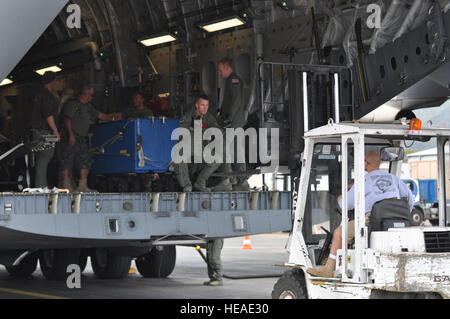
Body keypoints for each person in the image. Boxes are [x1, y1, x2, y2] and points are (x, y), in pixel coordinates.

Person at [306, 151, 414, 278]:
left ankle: (329, 269)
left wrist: (342, 196)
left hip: (372, 219)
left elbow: (345, 204)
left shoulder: (365, 180)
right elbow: (410, 199)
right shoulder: (394, 179)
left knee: (339, 233)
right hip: (398, 220)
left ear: (365, 163)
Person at [59, 85, 116, 192]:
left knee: (85, 160)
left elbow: (101, 116)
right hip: (71, 136)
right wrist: (71, 134)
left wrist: (115, 117)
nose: (92, 97)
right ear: (85, 94)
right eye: (91, 95)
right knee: (67, 161)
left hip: (81, 138)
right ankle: (66, 186)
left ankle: (82, 186)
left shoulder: (87, 106)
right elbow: (67, 119)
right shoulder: (72, 104)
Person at [175, 94, 222, 192]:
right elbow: (179, 130)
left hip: (200, 147)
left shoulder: (208, 117)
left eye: (207, 105)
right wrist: (189, 128)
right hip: (187, 145)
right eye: (202, 105)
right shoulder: (188, 115)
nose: (205, 108)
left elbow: (216, 129)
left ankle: (200, 183)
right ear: (196, 105)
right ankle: (186, 185)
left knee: (216, 160)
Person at [216, 58, 249, 191]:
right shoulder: (231, 81)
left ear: (226, 67)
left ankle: (227, 181)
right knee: (235, 151)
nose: (219, 72)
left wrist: (229, 119)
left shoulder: (234, 80)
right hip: (233, 123)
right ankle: (241, 180)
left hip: (233, 123)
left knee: (224, 149)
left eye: (220, 69)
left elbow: (236, 101)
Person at [31, 71, 60, 188]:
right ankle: (41, 186)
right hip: (45, 132)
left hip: (36, 131)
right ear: (53, 81)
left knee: (40, 158)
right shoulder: (47, 95)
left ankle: (40, 185)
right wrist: (55, 131)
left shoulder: (38, 94)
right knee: (46, 157)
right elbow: (48, 114)